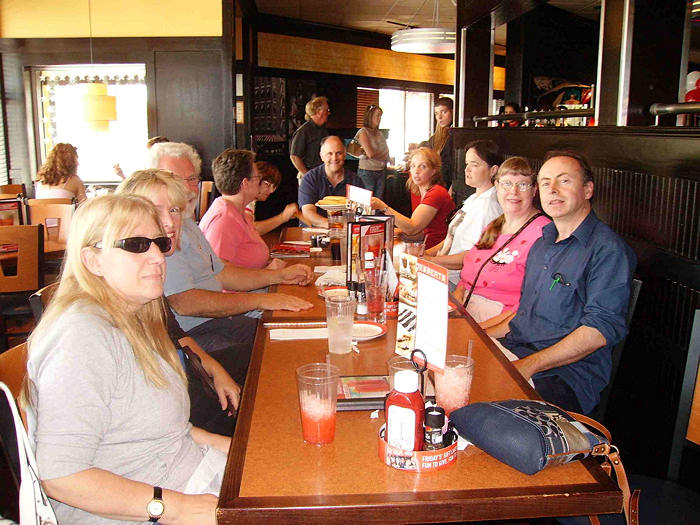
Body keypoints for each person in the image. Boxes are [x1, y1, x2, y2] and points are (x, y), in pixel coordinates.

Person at [25, 194, 226, 524]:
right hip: (135, 511)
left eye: (158, 243)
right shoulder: (82, 336)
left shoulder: (137, 317)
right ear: (93, 261)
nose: (157, 257)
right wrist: (177, 509)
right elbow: (60, 476)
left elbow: (171, 431)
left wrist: (240, 452)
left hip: (184, 478)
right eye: (135, 245)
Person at [492, 150, 636, 415]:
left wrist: (527, 366)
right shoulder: (541, 243)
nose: (553, 189)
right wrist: (479, 339)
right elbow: (520, 316)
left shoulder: (607, 249)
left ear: (588, 189)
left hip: (563, 378)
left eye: (564, 181)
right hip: (516, 354)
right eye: (546, 183)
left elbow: (598, 330)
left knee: (480, 415)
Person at [118, 170, 313, 353]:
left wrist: (278, 276)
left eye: (193, 178)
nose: (168, 221)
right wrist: (261, 300)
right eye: (180, 178)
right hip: (196, 330)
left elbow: (220, 273)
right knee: (277, 352)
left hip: (214, 321)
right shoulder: (154, 252)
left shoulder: (185, 226)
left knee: (296, 335)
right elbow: (184, 304)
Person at [453, 157, 550, 324]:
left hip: (500, 325)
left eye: (523, 185)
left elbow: (529, 305)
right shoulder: (494, 225)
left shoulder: (543, 233)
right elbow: (468, 274)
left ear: (534, 190)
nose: (514, 192)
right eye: (507, 184)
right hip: (466, 311)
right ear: (496, 186)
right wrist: (457, 299)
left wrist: (479, 330)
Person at [424, 140, 503, 288]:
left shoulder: (489, 207)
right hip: (441, 272)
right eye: (467, 164)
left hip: (457, 282)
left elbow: (474, 255)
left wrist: (430, 260)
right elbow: (451, 238)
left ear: (493, 170)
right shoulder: (473, 198)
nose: (467, 170)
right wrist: (425, 254)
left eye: (475, 165)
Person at [200, 149, 280, 270]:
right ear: (245, 183)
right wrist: (270, 274)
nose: (260, 182)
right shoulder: (224, 220)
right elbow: (219, 275)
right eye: (258, 177)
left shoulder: (238, 211)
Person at [371, 147, 454, 250]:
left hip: (436, 252)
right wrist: (401, 233)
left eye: (422, 167)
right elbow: (425, 232)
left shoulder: (436, 193)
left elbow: (413, 228)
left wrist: (382, 206)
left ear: (433, 171)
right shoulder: (425, 192)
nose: (416, 171)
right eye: (413, 166)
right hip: (430, 248)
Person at [298, 135, 364, 228]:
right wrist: (334, 225)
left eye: (339, 153)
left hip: (344, 232)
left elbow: (361, 212)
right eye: (329, 153)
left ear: (345, 155)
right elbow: (308, 212)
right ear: (321, 156)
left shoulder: (355, 181)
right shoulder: (310, 179)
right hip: (314, 231)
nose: (334, 158)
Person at [149, 141, 202, 217]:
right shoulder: (147, 227)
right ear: (152, 183)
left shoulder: (187, 223)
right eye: (176, 181)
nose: (187, 189)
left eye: (192, 179)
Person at [246, 161, 298, 236]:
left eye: (274, 187)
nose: (271, 191)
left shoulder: (251, 200)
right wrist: (283, 217)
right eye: (267, 184)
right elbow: (249, 231)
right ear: (255, 179)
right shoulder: (245, 199)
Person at [289, 96, 330, 182]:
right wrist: (307, 175)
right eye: (327, 110)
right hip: (309, 176)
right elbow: (294, 156)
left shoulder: (323, 130)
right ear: (318, 112)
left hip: (322, 174)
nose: (328, 113)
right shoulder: (304, 130)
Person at [428, 97, 460, 204]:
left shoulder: (456, 136)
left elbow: (457, 166)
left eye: (444, 112)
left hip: (451, 186)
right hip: (436, 185)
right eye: (437, 113)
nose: (440, 117)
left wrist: (453, 186)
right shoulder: (434, 139)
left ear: (453, 112)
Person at [355, 104, 389, 199]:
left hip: (381, 171)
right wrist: (382, 154)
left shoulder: (379, 133)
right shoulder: (363, 132)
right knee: (366, 201)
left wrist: (380, 154)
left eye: (380, 116)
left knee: (378, 201)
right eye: (377, 115)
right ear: (370, 116)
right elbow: (370, 153)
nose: (379, 118)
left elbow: (387, 152)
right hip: (367, 172)